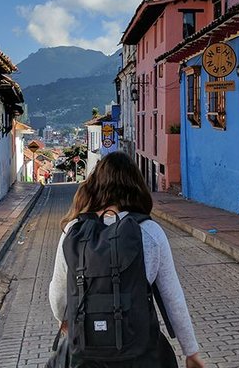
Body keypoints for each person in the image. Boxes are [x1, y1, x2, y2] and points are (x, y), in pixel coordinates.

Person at [48, 152, 205, 368]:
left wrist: (63, 320)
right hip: (139, 353)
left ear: (96, 185)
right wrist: (191, 351)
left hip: (86, 352)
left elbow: (58, 293)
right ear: (136, 185)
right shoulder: (150, 232)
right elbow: (173, 299)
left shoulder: (73, 231)